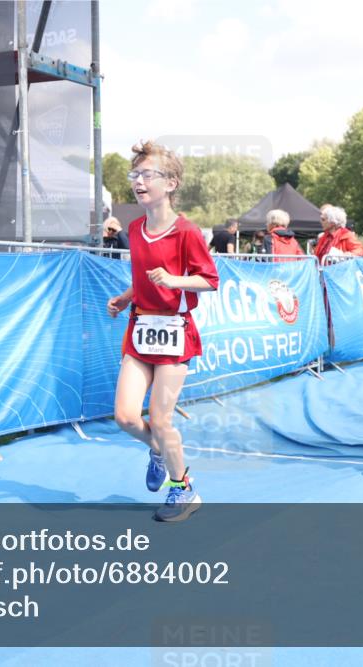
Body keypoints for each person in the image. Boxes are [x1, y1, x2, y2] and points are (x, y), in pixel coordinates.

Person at [107, 140, 218, 522]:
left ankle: (184, 490)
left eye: (147, 175)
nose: (138, 182)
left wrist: (174, 280)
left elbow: (209, 280)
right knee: (125, 417)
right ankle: (158, 450)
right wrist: (126, 297)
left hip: (175, 333)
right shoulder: (135, 230)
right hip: (140, 327)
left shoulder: (187, 232)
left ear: (170, 183)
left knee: (160, 418)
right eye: (134, 174)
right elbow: (143, 278)